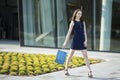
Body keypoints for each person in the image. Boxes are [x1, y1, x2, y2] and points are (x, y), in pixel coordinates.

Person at [62, 9, 93, 78]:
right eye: (78, 13)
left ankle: (90, 71)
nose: (80, 15)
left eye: (81, 14)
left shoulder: (83, 22)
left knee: (86, 56)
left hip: (82, 41)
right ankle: (66, 69)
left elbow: (85, 32)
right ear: (75, 14)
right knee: (70, 55)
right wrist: (65, 42)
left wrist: (86, 40)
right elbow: (69, 33)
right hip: (75, 41)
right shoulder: (72, 22)